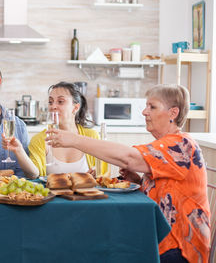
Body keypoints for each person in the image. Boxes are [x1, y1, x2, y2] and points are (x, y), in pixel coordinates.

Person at [46, 84, 210, 262]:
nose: (144, 112)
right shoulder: (169, 143)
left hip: (179, 246)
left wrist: (74, 140)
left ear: (173, 113)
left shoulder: (181, 145)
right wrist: (139, 181)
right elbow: (167, 190)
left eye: (152, 107)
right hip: (160, 235)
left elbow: (129, 158)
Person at [1, 81, 107, 178]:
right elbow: (34, 175)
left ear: (75, 108)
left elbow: (104, 175)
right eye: (51, 102)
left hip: (85, 197)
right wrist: (19, 151)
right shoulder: (39, 140)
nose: (53, 106)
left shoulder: (91, 136)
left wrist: (96, 173)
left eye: (60, 101)